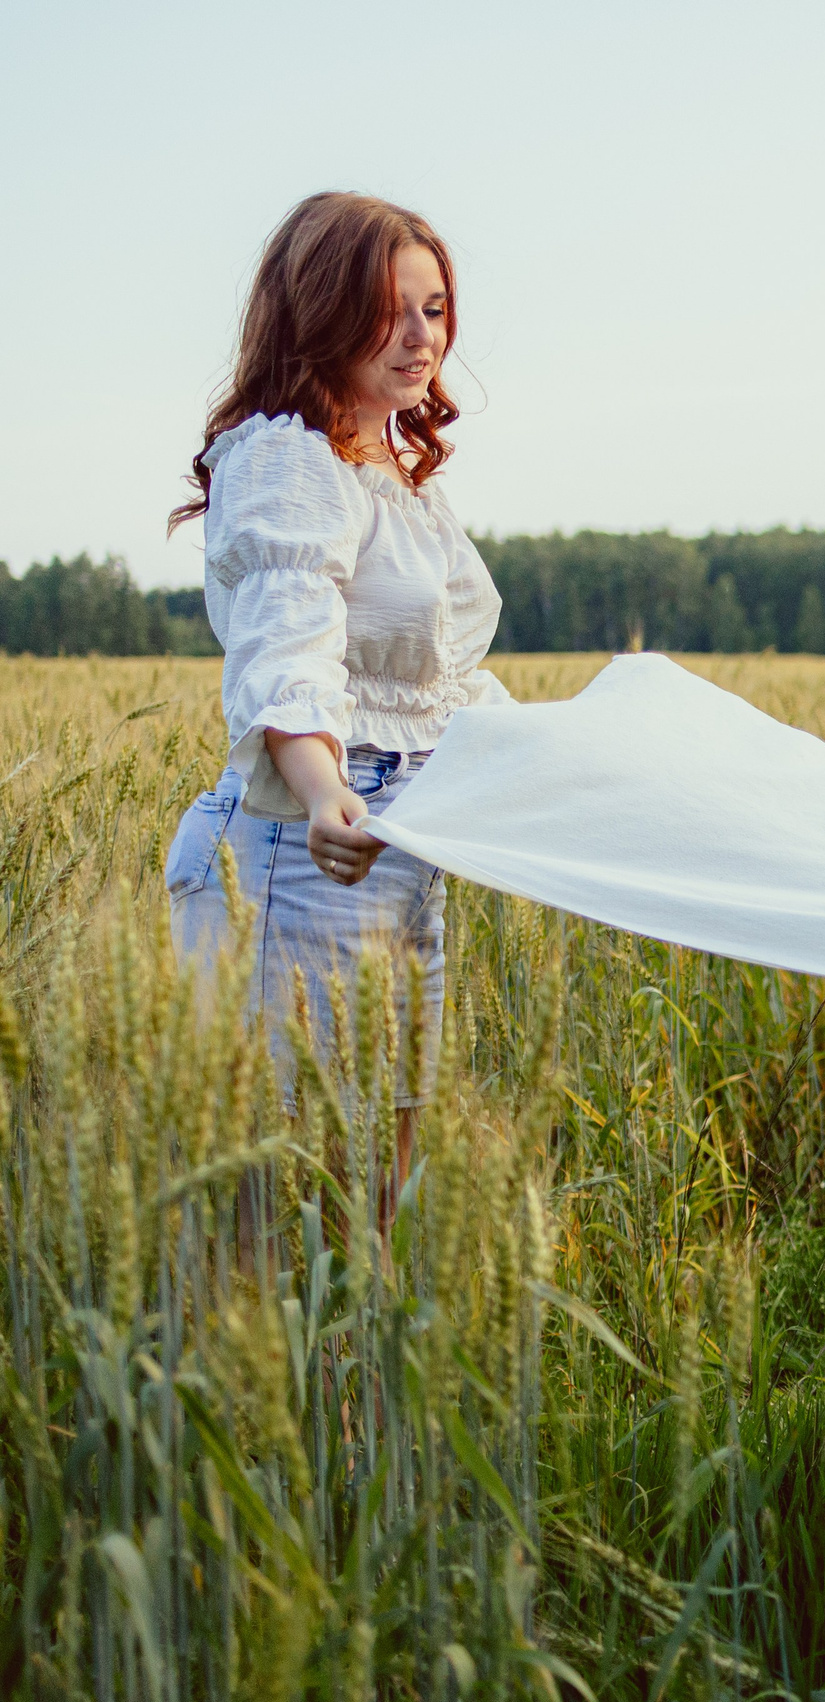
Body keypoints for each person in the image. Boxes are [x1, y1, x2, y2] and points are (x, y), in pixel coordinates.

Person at [163, 192, 509, 1191]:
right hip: (315, 850)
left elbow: (436, 677)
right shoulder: (287, 458)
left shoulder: (396, 471)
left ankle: (346, 1360)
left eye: (435, 308)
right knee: (285, 1184)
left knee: (378, 1185)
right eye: (387, 308)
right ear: (318, 311)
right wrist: (321, 792)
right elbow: (288, 645)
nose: (419, 337)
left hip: (405, 845)